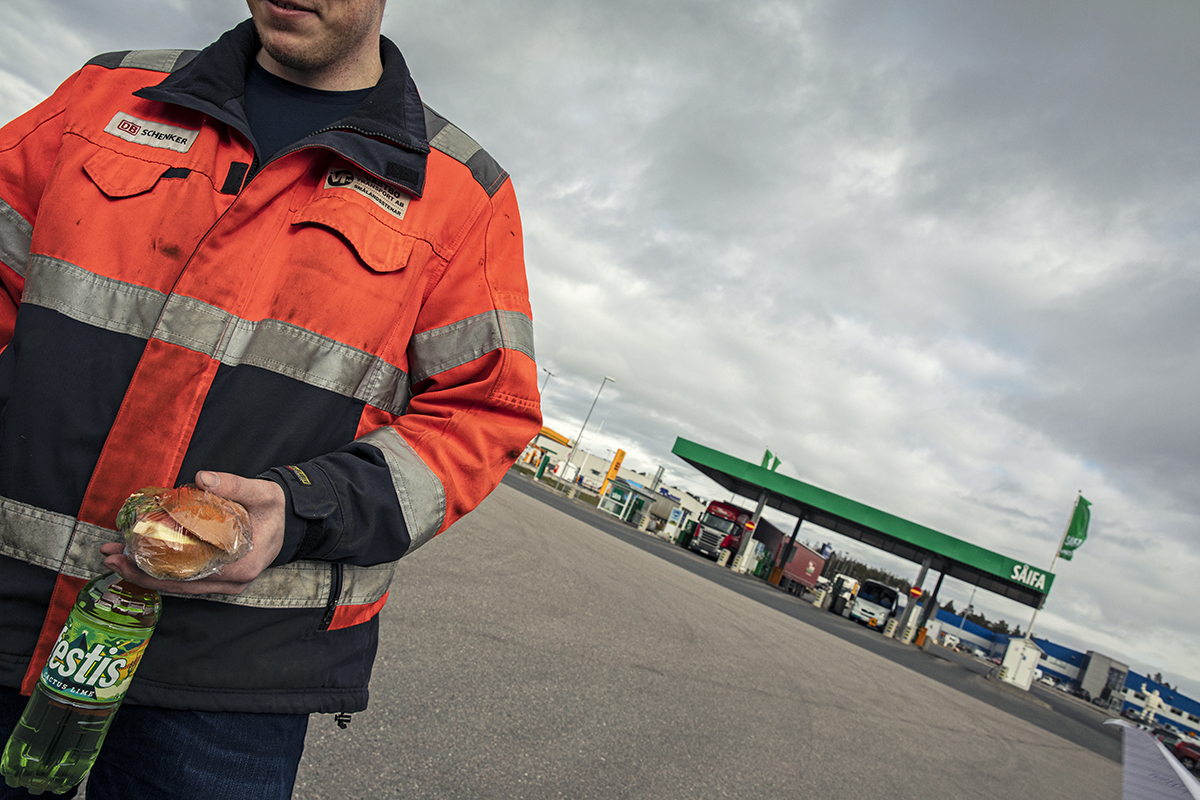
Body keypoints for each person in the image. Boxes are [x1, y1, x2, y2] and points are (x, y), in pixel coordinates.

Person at [0, 0, 540, 797]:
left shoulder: (460, 195)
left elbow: (484, 411)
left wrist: (307, 508)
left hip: (236, 674)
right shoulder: (105, 98)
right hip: (11, 604)